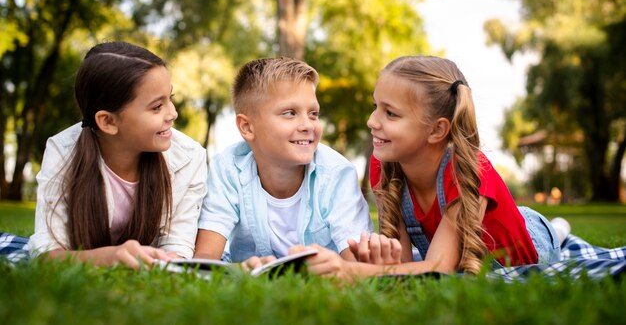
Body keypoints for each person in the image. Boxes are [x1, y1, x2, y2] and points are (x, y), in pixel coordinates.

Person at [291, 55, 562, 280]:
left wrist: (350, 271)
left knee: (551, 233)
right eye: (376, 107)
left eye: (390, 113)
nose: (372, 121)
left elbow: (438, 269)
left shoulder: (469, 171)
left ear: (437, 130)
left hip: (528, 243)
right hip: (452, 249)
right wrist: (376, 262)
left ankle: (559, 230)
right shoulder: (383, 163)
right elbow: (401, 266)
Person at [28, 41, 207, 269]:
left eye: (169, 98)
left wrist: (167, 262)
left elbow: (177, 248)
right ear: (108, 121)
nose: (173, 113)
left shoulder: (190, 158)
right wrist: (110, 257)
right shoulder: (62, 152)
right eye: (156, 107)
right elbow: (46, 255)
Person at [194, 57, 373, 266]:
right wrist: (239, 269)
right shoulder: (228, 169)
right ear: (247, 127)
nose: (307, 125)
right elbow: (205, 257)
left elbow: (357, 266)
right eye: (290, 113)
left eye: (313, 113)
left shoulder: (337, 174)